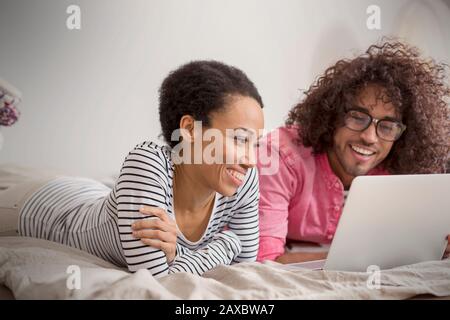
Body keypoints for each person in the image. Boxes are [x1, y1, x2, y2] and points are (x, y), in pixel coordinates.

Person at [0, 60, 264, 277]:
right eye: (240, 139)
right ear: (189, 130)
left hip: (91, 195)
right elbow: (158, 280)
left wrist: (177, 254)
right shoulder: (146, 162)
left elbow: (244, 270)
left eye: (255, 144)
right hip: (38, 209)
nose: (251, 160)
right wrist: (226, 244)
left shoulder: (243, 178)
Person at [256, 40, 450, 263]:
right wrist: (362, 258)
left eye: (387, 126)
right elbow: (265, 263)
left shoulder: (401, 171)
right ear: (332, 114)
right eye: (357, 117)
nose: (369, 137)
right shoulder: (278, 156)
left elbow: (412, 245)